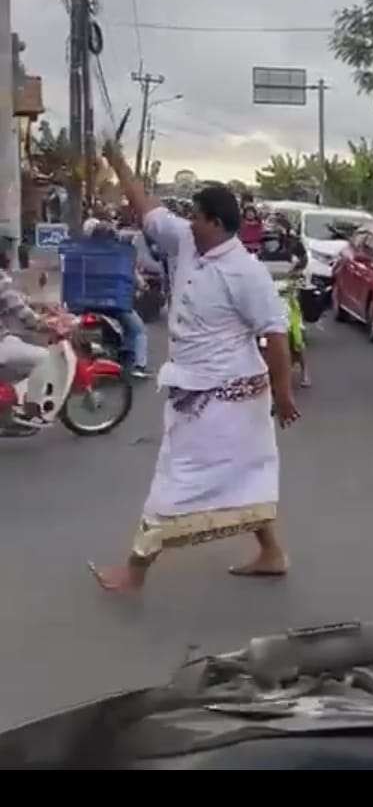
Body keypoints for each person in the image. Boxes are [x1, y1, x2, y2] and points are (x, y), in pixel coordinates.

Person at [89, 144, 299, 593]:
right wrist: (118, 162)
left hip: (229, 398)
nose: (190, 221)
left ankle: (135, 572)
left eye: (197, 216)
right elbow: (148, 210)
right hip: (196, 389)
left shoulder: (245, 273)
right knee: (244, 476)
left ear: (217, 224)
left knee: (175, 480)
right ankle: (273, 553)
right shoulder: (187, 240)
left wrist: (284, 395)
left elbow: (275, 336)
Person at [82, 217, 150, 379]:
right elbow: (134, 277)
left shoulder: (83, 254)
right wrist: (142, 286)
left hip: (85, 303)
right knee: (138, 330)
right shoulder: (120, 256)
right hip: (114, 305)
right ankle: (137, 365)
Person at [0, 251, 56, 435]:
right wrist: (44, 324)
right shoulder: (2, 282)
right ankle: (23, 410)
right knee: (45, 358)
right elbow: (23, 314)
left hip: (5, 336)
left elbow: (18, 301)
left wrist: (40, 306)